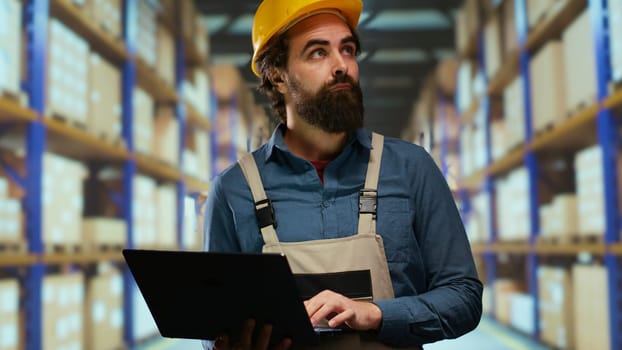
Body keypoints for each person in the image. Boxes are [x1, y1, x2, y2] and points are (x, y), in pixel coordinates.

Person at [202, 0, 483, 349]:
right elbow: (213, 326)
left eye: (347, 50)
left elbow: (464, 297)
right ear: (277, 75)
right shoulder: (234, 190)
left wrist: (375, 314)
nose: (341, 66)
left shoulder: (411, 168)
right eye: (318, 53)